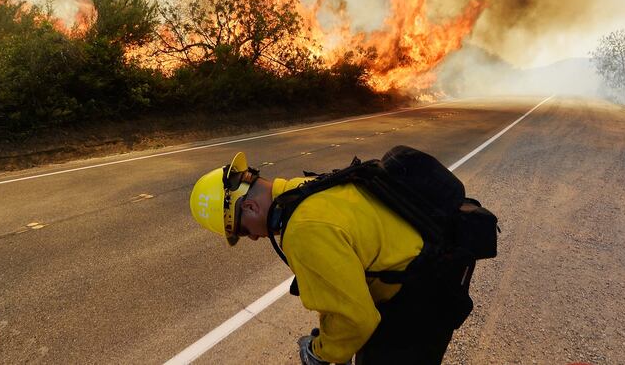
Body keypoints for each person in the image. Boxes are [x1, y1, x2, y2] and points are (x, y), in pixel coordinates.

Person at [190, 151, 476, 365]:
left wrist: (318, 353)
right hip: (427, 269)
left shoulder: (302, 229)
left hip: (421, 295)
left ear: (251, 207)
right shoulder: (303, 188)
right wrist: (330, 336)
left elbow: (357, 320)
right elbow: (340, 290)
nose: (252, 237)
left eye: (241, 230)